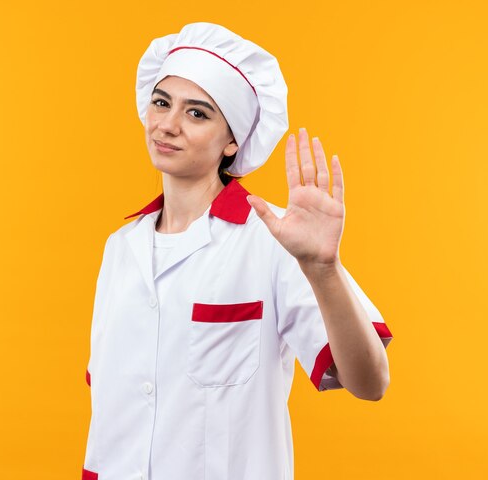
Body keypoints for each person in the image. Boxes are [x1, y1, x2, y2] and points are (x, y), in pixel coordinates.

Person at [81, 22, 393, 480]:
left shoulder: (276, 240)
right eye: (162, 102)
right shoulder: (120, 248)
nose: (167, 124)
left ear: (233, 141)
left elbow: (370, 382)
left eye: (198, 114)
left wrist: (323, 269)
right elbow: (113, 401)